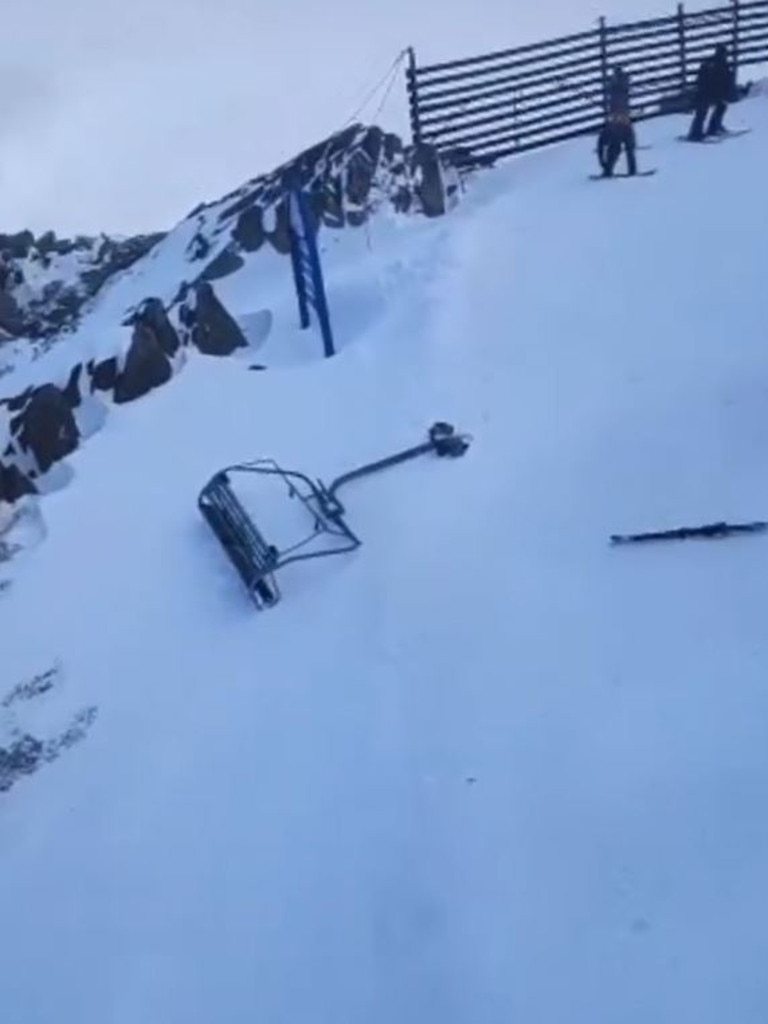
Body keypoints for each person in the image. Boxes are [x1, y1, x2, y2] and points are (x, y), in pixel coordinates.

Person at [596, 66, 637, 177]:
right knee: (629, 147)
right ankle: (632, 170)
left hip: (617, 123)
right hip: (624, 121)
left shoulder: (615, 88)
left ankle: (608, 169)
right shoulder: (622, 87)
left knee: (615, 147)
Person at [688, 44, 734, 140]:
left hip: (712, 92)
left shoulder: (722, 65)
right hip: (705, 92)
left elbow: (725, 82)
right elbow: (703, 80)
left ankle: (713, 127)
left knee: (721, 106)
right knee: (702, 110)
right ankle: (696, 132)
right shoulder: (712, 65)